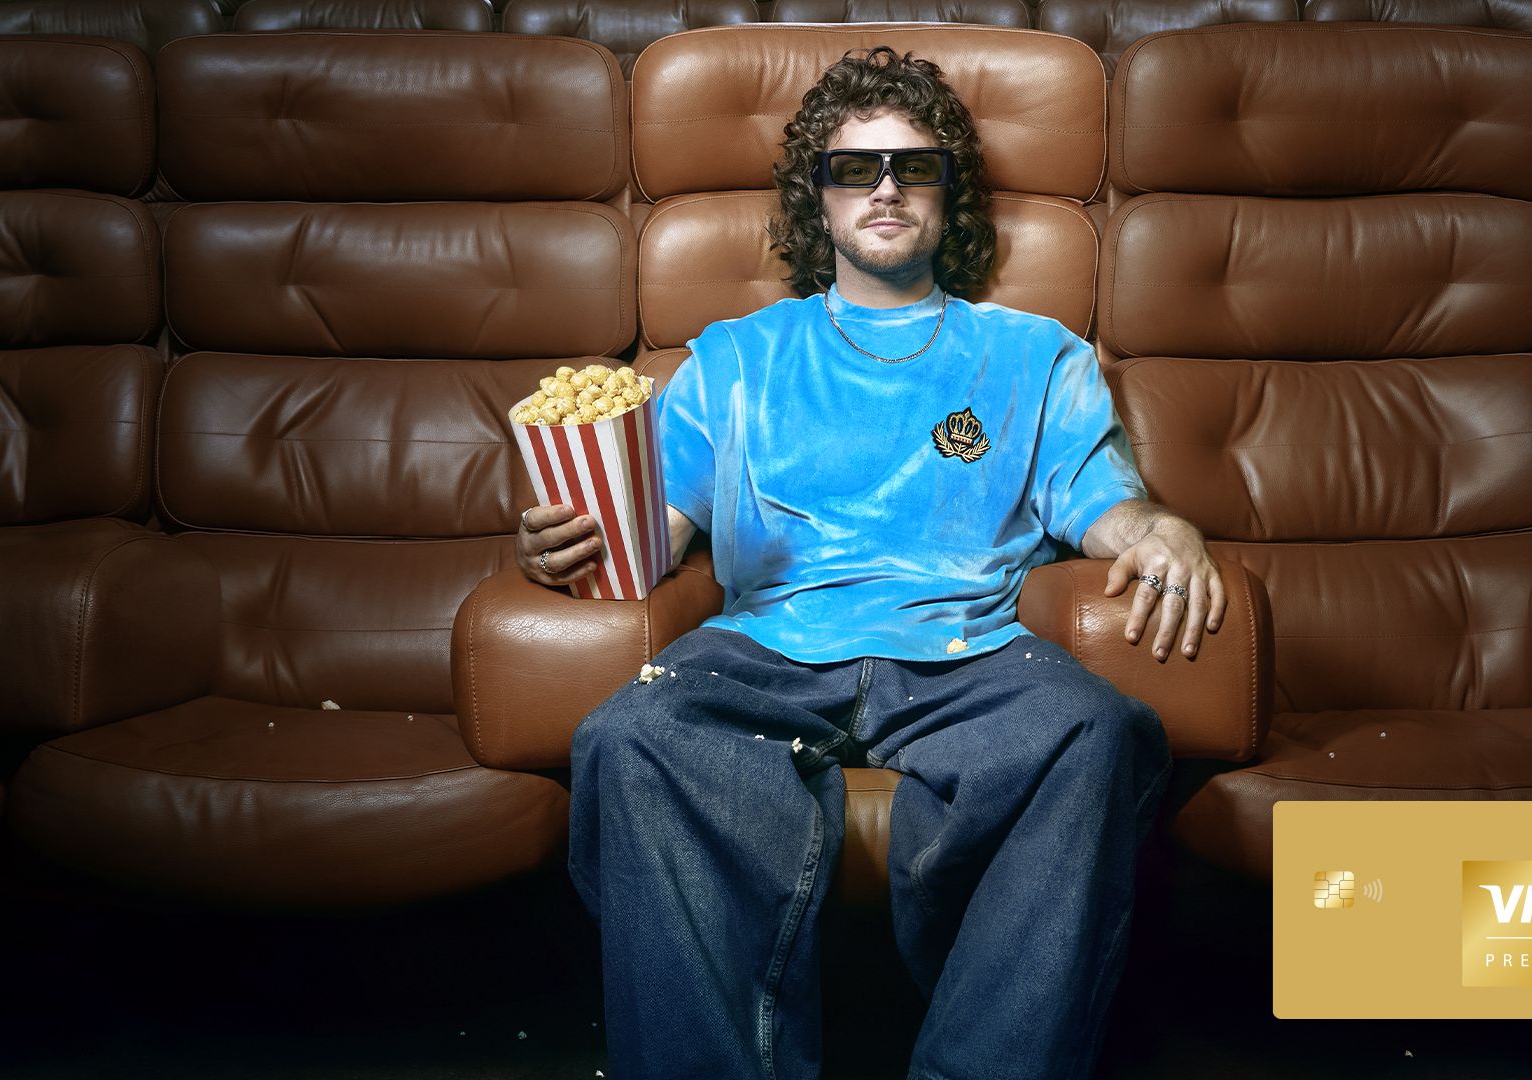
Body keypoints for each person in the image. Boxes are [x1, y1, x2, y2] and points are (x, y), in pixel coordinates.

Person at [515, 46, 1221, 1080]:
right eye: (856, 168)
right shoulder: (735, 356)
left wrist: (1166, 531)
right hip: (766, 643)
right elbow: (652, 530)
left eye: (913, 166)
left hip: (967, 650)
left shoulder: (1036, 354)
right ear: (821, 197)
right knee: (630, 736)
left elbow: (1102, 503)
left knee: (1099, 732)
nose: (885, 188)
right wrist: (564, 546)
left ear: (947, 191)